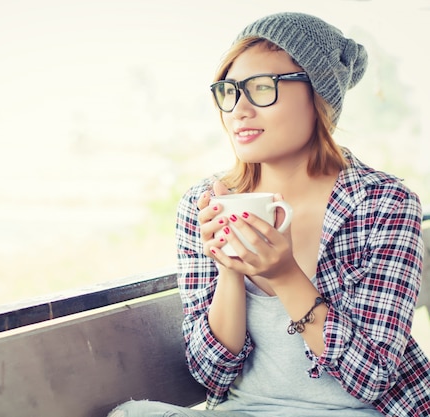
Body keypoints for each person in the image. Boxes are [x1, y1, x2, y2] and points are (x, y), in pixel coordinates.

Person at [108, 11, 430, 417]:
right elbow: (213, 375)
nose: (239, 109)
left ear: (319, 99)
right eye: (229, 91)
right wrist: (230, 268)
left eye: (262, 88)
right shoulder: (203, 204)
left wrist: (285, 276)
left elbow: (373, 376)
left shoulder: (383, 203)